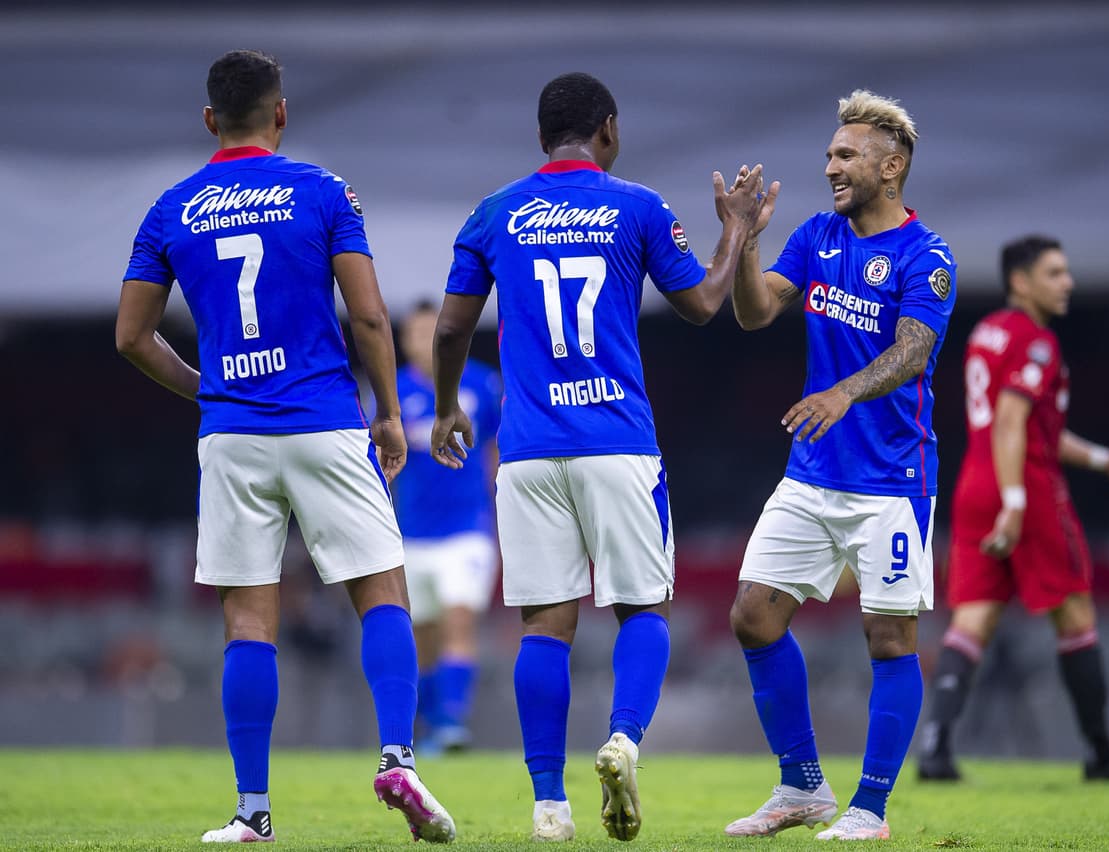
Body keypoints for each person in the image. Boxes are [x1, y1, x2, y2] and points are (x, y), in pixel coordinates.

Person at [114, 50, 454, 844]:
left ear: (210, 119)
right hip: (324, 422)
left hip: (233, 436)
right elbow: (369, 317)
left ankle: (252, 812)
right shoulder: (324, 191)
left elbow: (131, 336)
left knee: (247, 621)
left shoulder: (172, 207)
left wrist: (208, 388)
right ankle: (398, 757)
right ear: (282, 113)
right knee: (382, 593)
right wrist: (388, 413)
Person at [428, 72, 765, 842]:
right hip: (616, 441)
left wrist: (448, 407)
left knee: (544, 624)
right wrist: (737, 229)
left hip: (527, 451)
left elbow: (448, 331)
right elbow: (703, 303)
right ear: (608, 130)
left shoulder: (494, 212)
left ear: (540, 137)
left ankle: (549, 805)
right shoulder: (638, 207)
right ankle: (623, 739)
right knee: (643, 608)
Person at [722, 89, 956, 842]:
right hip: (812, 471)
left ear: (891, 167)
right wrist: (746, 239)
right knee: (752, 615)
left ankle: (871, 808)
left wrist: (843, 391)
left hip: (891, 479)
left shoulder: (927, 256)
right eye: (829, 154)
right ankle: (802, 786)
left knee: (889, 640)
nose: (830, 167)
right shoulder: (817, 235)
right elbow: (755, 313)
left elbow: (913, 352)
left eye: (846, 155)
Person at [917, 235, 1109, 782]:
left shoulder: (987, 332)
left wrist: (1105, 460)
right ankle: (1103, 753)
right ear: (1020, 281)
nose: (1067, 283)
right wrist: (1015, 502)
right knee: (1075, 615)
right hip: (1024, 487)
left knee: (973, 618)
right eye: (1054, 273)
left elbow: (1029, 427)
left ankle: (935, 749)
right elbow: (1013, 422)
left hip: (976, 481)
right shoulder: (1036, 342)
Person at [394, 300, 502, 753]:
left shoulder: (481, 384)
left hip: (468, 527)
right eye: (416, 334)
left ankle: (453, 725)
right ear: (404, 342)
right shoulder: (392, 393)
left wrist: (500, 508)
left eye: (431, 332)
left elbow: (496, 449)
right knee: (423, 638)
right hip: (412, 534)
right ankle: (432, 723)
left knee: (459, 621)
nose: (425, 341)